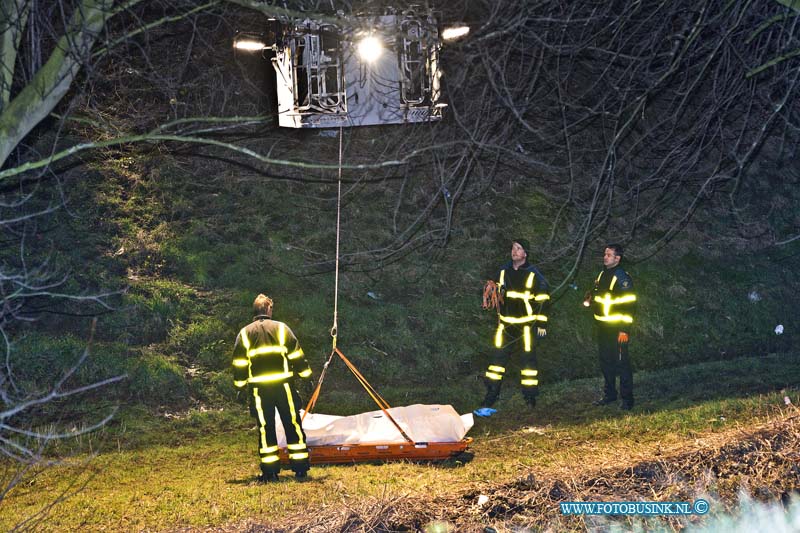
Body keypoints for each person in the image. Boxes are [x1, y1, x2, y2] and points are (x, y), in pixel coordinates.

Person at [232, 294, 314, 482]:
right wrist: (306, 376)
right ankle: (300, 469)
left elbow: (239, 363)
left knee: (265, 428)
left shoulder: (245, 333)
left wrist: (239, 386)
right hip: (284, 385)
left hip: (259, 389)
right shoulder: (281, 329)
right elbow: (296, 355)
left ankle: (270, 472)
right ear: (269, 309)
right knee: (292, 424)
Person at [475, 239, 550, 417]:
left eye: (518, 248)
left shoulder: (534, 274)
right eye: (513, 248)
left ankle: (530, 397)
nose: (514, 251)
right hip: (506, 324)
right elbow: (496, 291)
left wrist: (542, 323)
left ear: (526, 254)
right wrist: (491, 292)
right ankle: (491, 394)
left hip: (526, 325)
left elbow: (543, 300)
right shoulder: (503, 271)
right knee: (497, 362)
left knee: (528, 362)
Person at [584, 244, 637, 410]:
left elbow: (629, 306)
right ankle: (610, 395)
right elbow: (598, 293)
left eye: (609, 254)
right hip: (603, 327)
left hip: (617, 329)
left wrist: (624, 330)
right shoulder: (602, 274)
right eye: (604, 254)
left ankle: (627, 400)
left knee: (622, 364)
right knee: (606, 362)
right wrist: (590, 298)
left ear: (617, 258)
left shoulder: (622, 278)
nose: (605, 257)